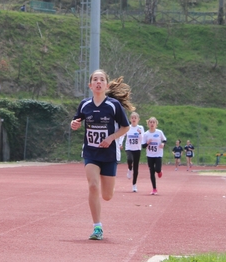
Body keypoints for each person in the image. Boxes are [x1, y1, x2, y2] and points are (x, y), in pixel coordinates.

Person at [70, 69, 132, 241]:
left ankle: (110, 186)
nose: (98, 82)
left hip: (109, 154)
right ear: (90, 85)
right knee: (93, 186)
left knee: (107, 195)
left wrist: (111, 138)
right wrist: (74, 124)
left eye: (101, 79)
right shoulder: (84, 104)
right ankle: (97, 227)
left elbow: (125, 127)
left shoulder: (113, 105)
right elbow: (76, 120)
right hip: (91, 152)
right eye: (95, 80)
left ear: (106, 85)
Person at [142, 117, 167, 195]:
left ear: (156, 124)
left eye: (153, 122)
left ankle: (159, 171)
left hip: (158, 154)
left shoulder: (159, 132)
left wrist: (163, 144)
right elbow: (143, 146)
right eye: (150, 122)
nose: (152, 124)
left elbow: (164, 140)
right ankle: (154, 189)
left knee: (157, 169)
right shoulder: (146, 134)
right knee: (151, 172)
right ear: (148, 124)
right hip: (150, 155)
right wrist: (147, 143)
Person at [124, 112, 144, 192]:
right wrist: (119, 144)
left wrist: (140, 133)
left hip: (137, 149)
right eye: (132, 118)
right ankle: (129, 168)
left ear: (138, 119)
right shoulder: (128, 127)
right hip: (129, 147)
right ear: (130, 119)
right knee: (129, 159)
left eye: (135, 118)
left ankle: (134, 185)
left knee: (136, 168)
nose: (133, 119)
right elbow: (122, 135)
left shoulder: (140, 128)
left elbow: (142, 138)